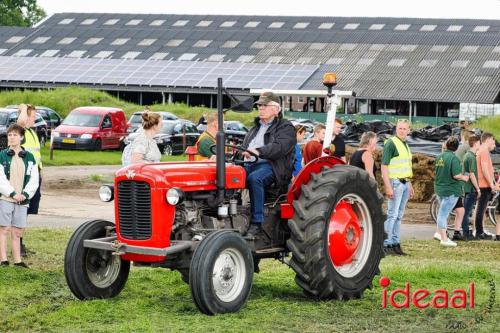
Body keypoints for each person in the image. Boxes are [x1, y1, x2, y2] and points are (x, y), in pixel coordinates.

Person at [241, 91, 296, 236]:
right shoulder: (254, 128)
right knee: (226, 175)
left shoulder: (285, 127)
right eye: (259, 105)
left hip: (272, 166)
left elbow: (280, 147)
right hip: (248, 164)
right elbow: (244, 149)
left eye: (265, 105)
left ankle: (256, 223)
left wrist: (258, 151)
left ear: (276, 109)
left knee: (255, 179)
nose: (261, 108)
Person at [0, 124, 39, 268]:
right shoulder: (2, 155)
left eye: (15, 135)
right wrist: (12, 193)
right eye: (9, 135)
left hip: (22, 200)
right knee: (3, 229)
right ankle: (3, 260)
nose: (11, 137)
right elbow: (1, 179)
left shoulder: (29, 157)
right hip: (6, 198)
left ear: (21, 137)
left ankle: (18, 261)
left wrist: (25, 194)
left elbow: (34, 179)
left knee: (17, 231)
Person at [381, 119, 414, 256]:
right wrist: (388, 186)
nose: (401, 131)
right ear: (396, 129)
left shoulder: (405, 145)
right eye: (399, 128)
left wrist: (410, 184)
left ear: (409, 131)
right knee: (392, 214)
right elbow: (384, 166)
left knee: (399, 215)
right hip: (395, 183)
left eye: (404, 129)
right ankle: (386, 244)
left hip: (404, 183)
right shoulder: (391, 143)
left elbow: (406, 166)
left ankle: (395, 243)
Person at [433, 137, 469, 247]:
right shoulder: (454, 159)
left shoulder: (439, 157)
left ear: (446, 145)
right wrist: (464, 177)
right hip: (451, 191)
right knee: (442, 214)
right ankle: (444, 239)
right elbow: (456, 175)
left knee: (443, 213)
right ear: (457, 147)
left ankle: (439, 233)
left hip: (439, 189)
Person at [17, 104, 42, 257]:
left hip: (36, 175)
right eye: (33, 116)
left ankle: (19, 242)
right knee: (21, 211)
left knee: (27, 211)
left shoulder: (33, 133)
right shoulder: (21, 132)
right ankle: (17, 245)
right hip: (25, 177)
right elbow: (20, 122)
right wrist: (24, 108)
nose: (35, 118)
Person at [474, 132, 498, 240]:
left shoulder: (483, 151)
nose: (494, 142)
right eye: (493, 140)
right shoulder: (483, 151)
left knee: (482, 209)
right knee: (481, 209)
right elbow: (484, 169)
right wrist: (491, 184)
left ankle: (480, 231)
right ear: (488, 140)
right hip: (483, 184)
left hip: (484, 184)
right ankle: (479, 232)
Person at [460, 135, 481, 240]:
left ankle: (465, 232)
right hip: (471, 189)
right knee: (466, 212)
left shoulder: (467, 155)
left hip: (467, 188)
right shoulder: (471, 157)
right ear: (476, 143)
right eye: (479, 143)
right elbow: (472, 174)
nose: (480, 144)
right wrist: (478, 188)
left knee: (466, 211)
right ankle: (465, 234)